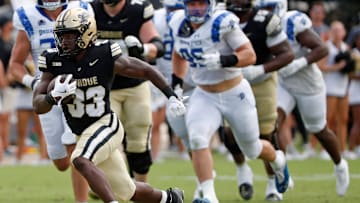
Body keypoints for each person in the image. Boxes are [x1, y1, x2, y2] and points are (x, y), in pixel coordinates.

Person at [33, 7, 185, 203]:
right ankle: (170, 198)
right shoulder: (53, 60)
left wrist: (171, 95)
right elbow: (37, 105)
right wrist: (52, 98)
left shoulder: (103, 53)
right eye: (62, 36)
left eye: (70, 36)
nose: (65, 41)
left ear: (87, 32)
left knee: (80, 160)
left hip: (106, 124)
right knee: (126, 190)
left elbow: (145, 70)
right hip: (83, 132)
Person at [168, 0, 290, 202]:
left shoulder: (222, 22)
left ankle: (278, 159)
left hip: (234, 92)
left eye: (201, 3)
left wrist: (225, 60)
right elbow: (179, 54)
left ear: (211, 4)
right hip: (204, 94)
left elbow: (249, 55)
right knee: (197, 138)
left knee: (252, 149)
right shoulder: (178, 23)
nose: (196, 8)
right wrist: (177, 87)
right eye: (192, 3)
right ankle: (209, 195)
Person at [257, 0, 350, 197]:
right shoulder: (257, 25)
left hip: (308, 83)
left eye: (269, 9)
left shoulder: (293, 22)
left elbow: (322, 49)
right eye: (262, 9)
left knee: (318, 129)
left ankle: (340, 165)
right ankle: (276, 179)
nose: (265, 13)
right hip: (282, 82)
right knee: (269, 127)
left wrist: (299, 63)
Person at [8, 0, 93, 202]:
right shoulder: (26, 15)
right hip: (47, 94)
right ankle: (93, 171)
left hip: (77, 90)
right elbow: (15, 65)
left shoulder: (82, 9)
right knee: (61, 162)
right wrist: (34, 82)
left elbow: (93, 49)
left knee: (75, 150)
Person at [221, 0, 294, 201]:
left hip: (262, 80)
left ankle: (272, 183)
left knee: (266, 134)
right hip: (231, 80)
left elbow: (287, 54)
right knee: (228, 133)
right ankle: (242, 169)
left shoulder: (264, 20)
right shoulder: (219, 17)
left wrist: (260, 69)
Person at [90, 0, 165, 182]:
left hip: (135, 85)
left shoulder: (137, 9)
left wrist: (143, 48)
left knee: (138, 140)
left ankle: (142, 190)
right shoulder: (90, 10)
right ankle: (106, 184)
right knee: (105, 140)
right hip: (104, 87)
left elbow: (158, 46)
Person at [151, 0, 186, 161]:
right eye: (171, 9)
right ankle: (155, 155)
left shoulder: (190, 19)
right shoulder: (155, 18)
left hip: (181, 73)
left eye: (177, 9)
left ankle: (184, 150)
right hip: (157, 73)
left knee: (182, 115)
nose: (174, 13)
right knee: (154, 120)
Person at [318, 21, 353, 159]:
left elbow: (349, 66)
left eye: (340, 30)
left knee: (343, 119)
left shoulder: (347, 47)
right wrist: (337, 67)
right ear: (331, 32)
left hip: (343, 87)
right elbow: (320, 66)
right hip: (330, 88)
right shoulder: (327, 47)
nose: (338, 33)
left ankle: (343, 148)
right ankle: (324, 150)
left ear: (344, 33)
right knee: (329, 119)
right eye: (335, 30)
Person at [0, 14, 17, 161]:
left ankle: (5, 146)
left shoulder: (10, 42)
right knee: (3, 117)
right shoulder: (1, 43)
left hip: (10, 85)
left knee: (6, 116)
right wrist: (3, 80)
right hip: (4, 85)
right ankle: (3, 146)